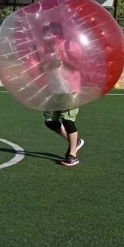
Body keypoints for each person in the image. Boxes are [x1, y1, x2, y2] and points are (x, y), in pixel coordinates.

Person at [38, 22, 85, 167]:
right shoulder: (47, 49)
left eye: (47, 33)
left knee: (67, 120)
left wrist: (63, 59)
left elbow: (79, 66)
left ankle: (72, 156)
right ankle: (75, 141)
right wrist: (47, 65)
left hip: (69, 88)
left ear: (56, 34)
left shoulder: (70, 45)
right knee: (50, 121)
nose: (45, 36)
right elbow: (42, 69)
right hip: (55, 89)